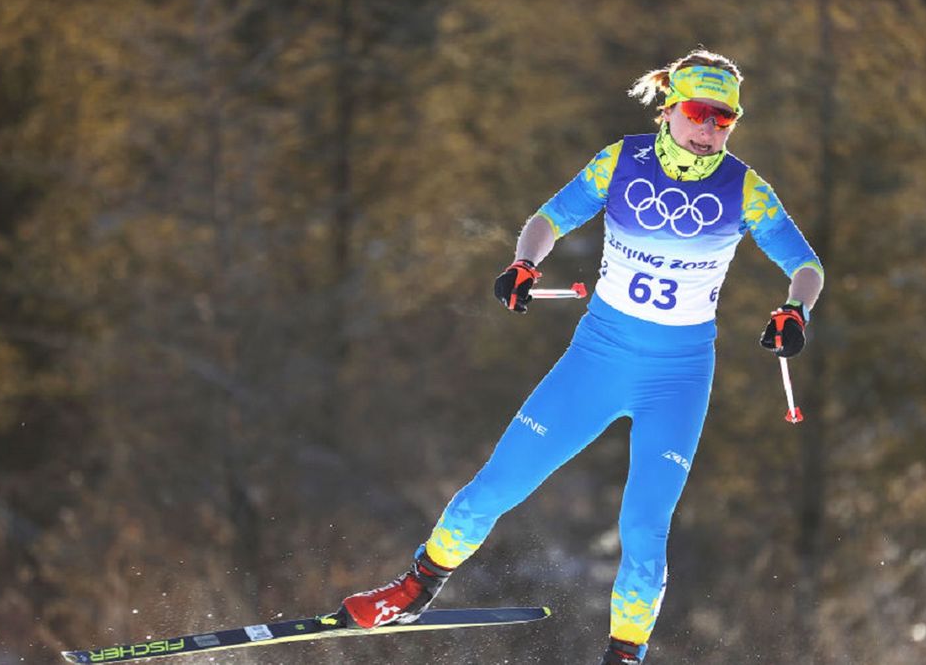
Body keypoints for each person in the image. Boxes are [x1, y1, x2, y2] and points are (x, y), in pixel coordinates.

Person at [330, 48, 824, 664]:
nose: (709, 130)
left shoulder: (744, 188)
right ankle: (413, 590)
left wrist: (794, 310)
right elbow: (548, 219)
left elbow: (806, 265)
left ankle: (623, 657)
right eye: (700, 113)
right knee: (495, 486)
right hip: (598, 359)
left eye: (725, 120)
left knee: (644, 529)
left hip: (678, 376)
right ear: (671, 109)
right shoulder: (621, 161)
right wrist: (524, 263)